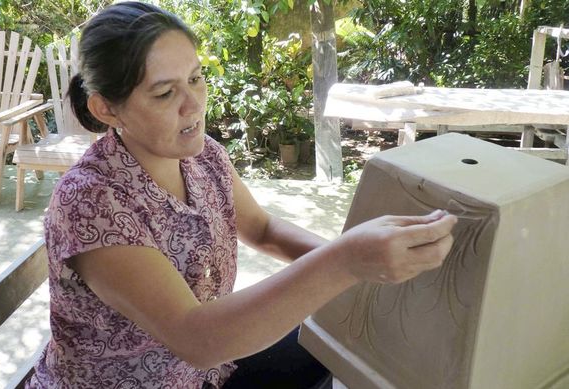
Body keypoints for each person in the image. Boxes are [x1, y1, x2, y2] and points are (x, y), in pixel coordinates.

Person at [26, 2, 457, 388]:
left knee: (334, 342)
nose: (193, 104)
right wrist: (346, 261)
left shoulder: (202, 156)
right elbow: (194, 336)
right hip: (141, 376)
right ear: (106, 109)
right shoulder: (90, 202)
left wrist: (360, 266)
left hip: (207, 369)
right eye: (164, 92)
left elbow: (264, 229)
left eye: (195, 79)